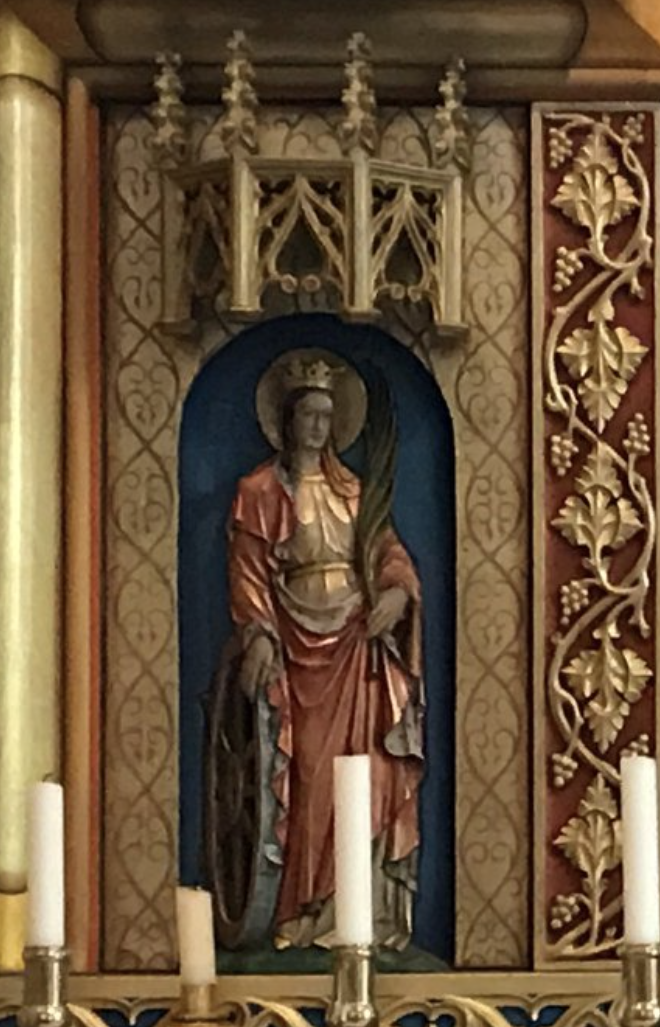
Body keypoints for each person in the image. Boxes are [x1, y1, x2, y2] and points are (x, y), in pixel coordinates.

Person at [225, 352, 423, 950]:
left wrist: (396, 591)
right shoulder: (259, 491)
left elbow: (388, 551)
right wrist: (257, 633)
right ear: (286, 421)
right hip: (298, 650)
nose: (318, 427)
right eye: (308, 415)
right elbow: (249, 573)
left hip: (359, 645)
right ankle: (301, 907)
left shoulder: (353, 492)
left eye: (327, 416)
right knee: (309, 775)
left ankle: (358, 914)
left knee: (371, 774)